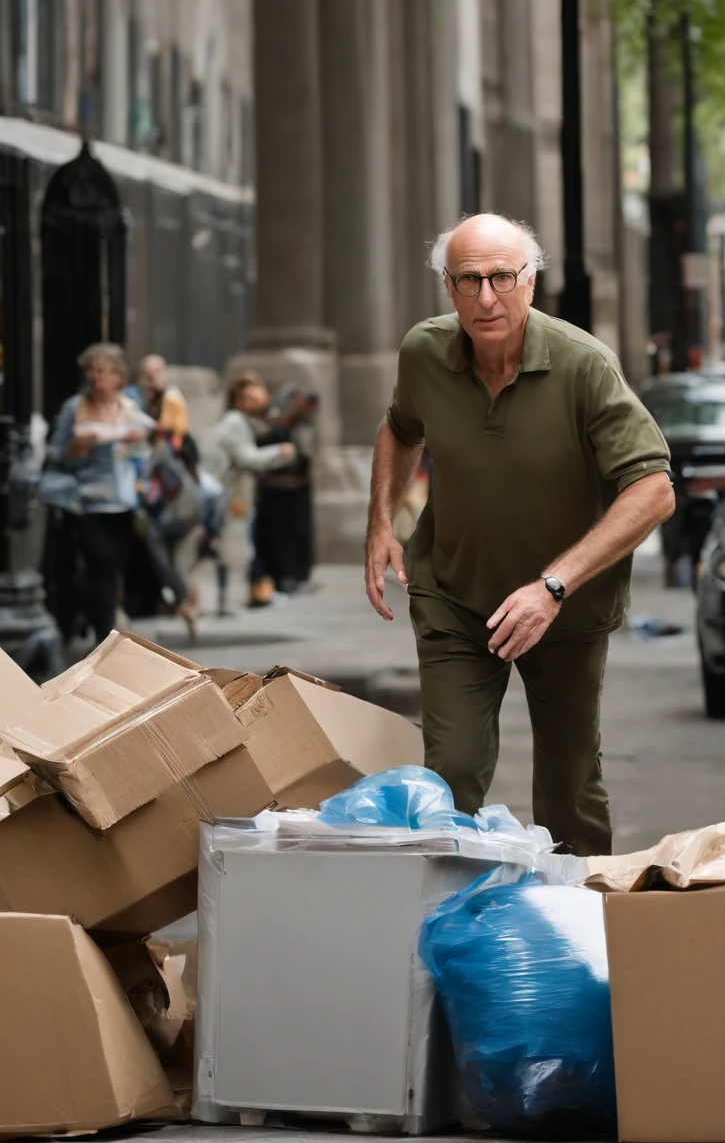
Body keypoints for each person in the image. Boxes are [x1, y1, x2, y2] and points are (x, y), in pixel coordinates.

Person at [365, 213, 675, 856]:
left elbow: (653, 490)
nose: (486, 298)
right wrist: (381, 523)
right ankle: (449, 934)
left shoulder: (584, 366)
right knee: (448, 778)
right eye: (468, 280)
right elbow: (400, 427)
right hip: (454, 592)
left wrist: (553, 586)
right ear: (448, 288)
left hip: (567, 608)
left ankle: (576, 935)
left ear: (530, 282)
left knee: (568, 789)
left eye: (502, 277)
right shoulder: (424, 351)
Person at [44, 343, 196, 642]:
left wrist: (140, 448)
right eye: (89, 370)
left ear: (117, 376)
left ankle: (106, 627)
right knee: (99, 565)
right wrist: (77, 447)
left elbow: (146, 450)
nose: (93, 377)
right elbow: (55, 454)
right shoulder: (76, 408)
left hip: (126, 503)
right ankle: (103, 638)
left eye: (100, 371)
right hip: (88, 503)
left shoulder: (127, 407)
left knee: (113, 570)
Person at [212, 373, 297, 606]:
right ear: (238, 399)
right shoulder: (234, 422)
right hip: (231, 496)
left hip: (240, 495)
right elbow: (248, 458)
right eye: (249, 396)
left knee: (242, 546)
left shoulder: (247, 421)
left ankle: (238, 596)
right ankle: (228, 600)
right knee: (233, 549)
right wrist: (280, 453)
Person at [252, 383, 319, 595]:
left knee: (298, 534)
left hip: (297, 488)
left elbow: (305, 453)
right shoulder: (271, 425)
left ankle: (298, 576)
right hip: (274, 490)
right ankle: (276, 579)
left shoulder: (303, 424)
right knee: (275, 537)